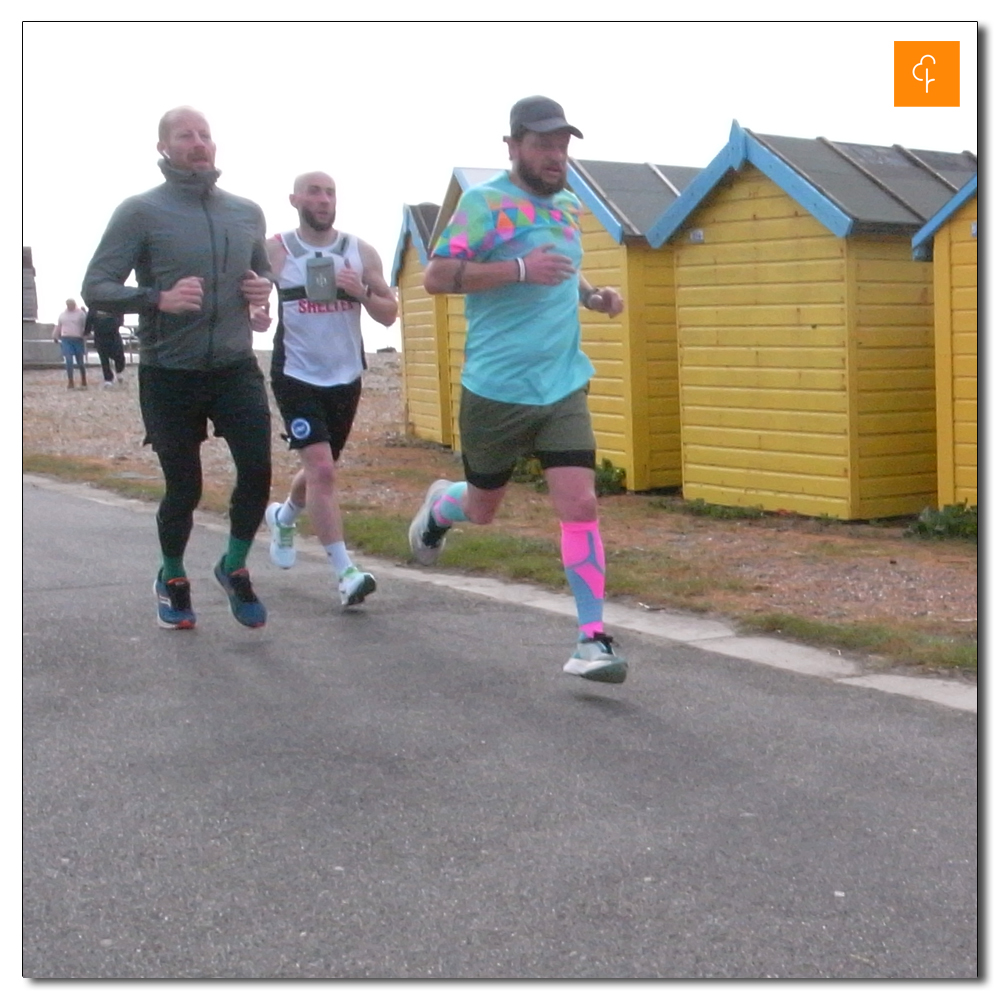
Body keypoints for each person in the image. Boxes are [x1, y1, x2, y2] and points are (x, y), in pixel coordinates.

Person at [410, 96, 628, 684]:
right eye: (542, 145)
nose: (555, 156)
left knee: (580, 504)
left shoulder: (569, 205)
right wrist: (518, 271)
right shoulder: (485, 205)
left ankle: (591, 640)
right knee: (482, 509)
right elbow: (435, 277)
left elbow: (561, 266)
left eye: (562, 145)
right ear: (512, 147)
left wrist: (591, 294)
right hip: (496, 390)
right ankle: (438, 508)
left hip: (561, 384)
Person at [82, 106, 274, 631]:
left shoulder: (245, 211)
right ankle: (171, 576)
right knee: (184, 487)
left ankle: (232, 567)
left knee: (258, 471)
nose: (198, 143)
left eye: (205, 134)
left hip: (234, 365)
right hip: (170, 371)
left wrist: (261, 292)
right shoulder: (140, 212)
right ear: (164, 148)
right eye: (185, 136)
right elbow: (95, 287)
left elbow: (260, 274)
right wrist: (156, 299)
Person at [256, 171, 398, 607]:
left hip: (345, 375)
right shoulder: (277, 249)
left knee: (321, 470)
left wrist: (360, 293)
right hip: (297, 373)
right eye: (314, 192)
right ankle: (345, 573)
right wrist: (256, 316)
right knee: (322, 471)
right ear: (295, 199)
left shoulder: (359, 251)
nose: (323, 199)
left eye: (330, 192)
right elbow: (253, 299)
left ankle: (284, 516)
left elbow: (389, 315)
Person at [84, 308, 127, 388]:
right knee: (104, 359)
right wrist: (87, 332)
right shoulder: (94, 308)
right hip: (100, 337)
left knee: (119, 356)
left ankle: (119, 371)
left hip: (114, 336)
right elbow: (89, 321)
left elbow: (120, 319)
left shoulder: (114, 307)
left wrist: (116, 323)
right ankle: (108, 379)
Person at [53, 298, 88, 389]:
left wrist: (85, 336)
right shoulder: (63, 315)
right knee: (68, 360)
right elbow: (59, 325)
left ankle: (83, 379)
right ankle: (70, 381)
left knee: (80, 361)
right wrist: (55, 335)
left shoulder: (81, 314)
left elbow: (85, 326)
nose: (69, 306)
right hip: (66, 339)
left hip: (77, 338)